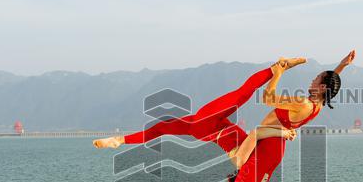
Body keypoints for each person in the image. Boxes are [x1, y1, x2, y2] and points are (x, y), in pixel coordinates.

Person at [228, 50, 357, 182]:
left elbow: (268, 98)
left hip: (268, 148)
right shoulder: (317, 105)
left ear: (322, 87)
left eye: (316, 78)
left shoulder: (303, 103)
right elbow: (330, 84)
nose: (312, 79)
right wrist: (341, 66)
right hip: (274, 147)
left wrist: (279, 72)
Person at [92, 58, 306, 168]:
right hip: (206, 126)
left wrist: (283, 133)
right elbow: (264, 135)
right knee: (162, 127)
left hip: (207, 124)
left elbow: (257, 133)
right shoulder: (254, 154)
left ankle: (277, 67)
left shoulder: (243, 161)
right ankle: (119, 140)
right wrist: (285, 132)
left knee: (242, 94)